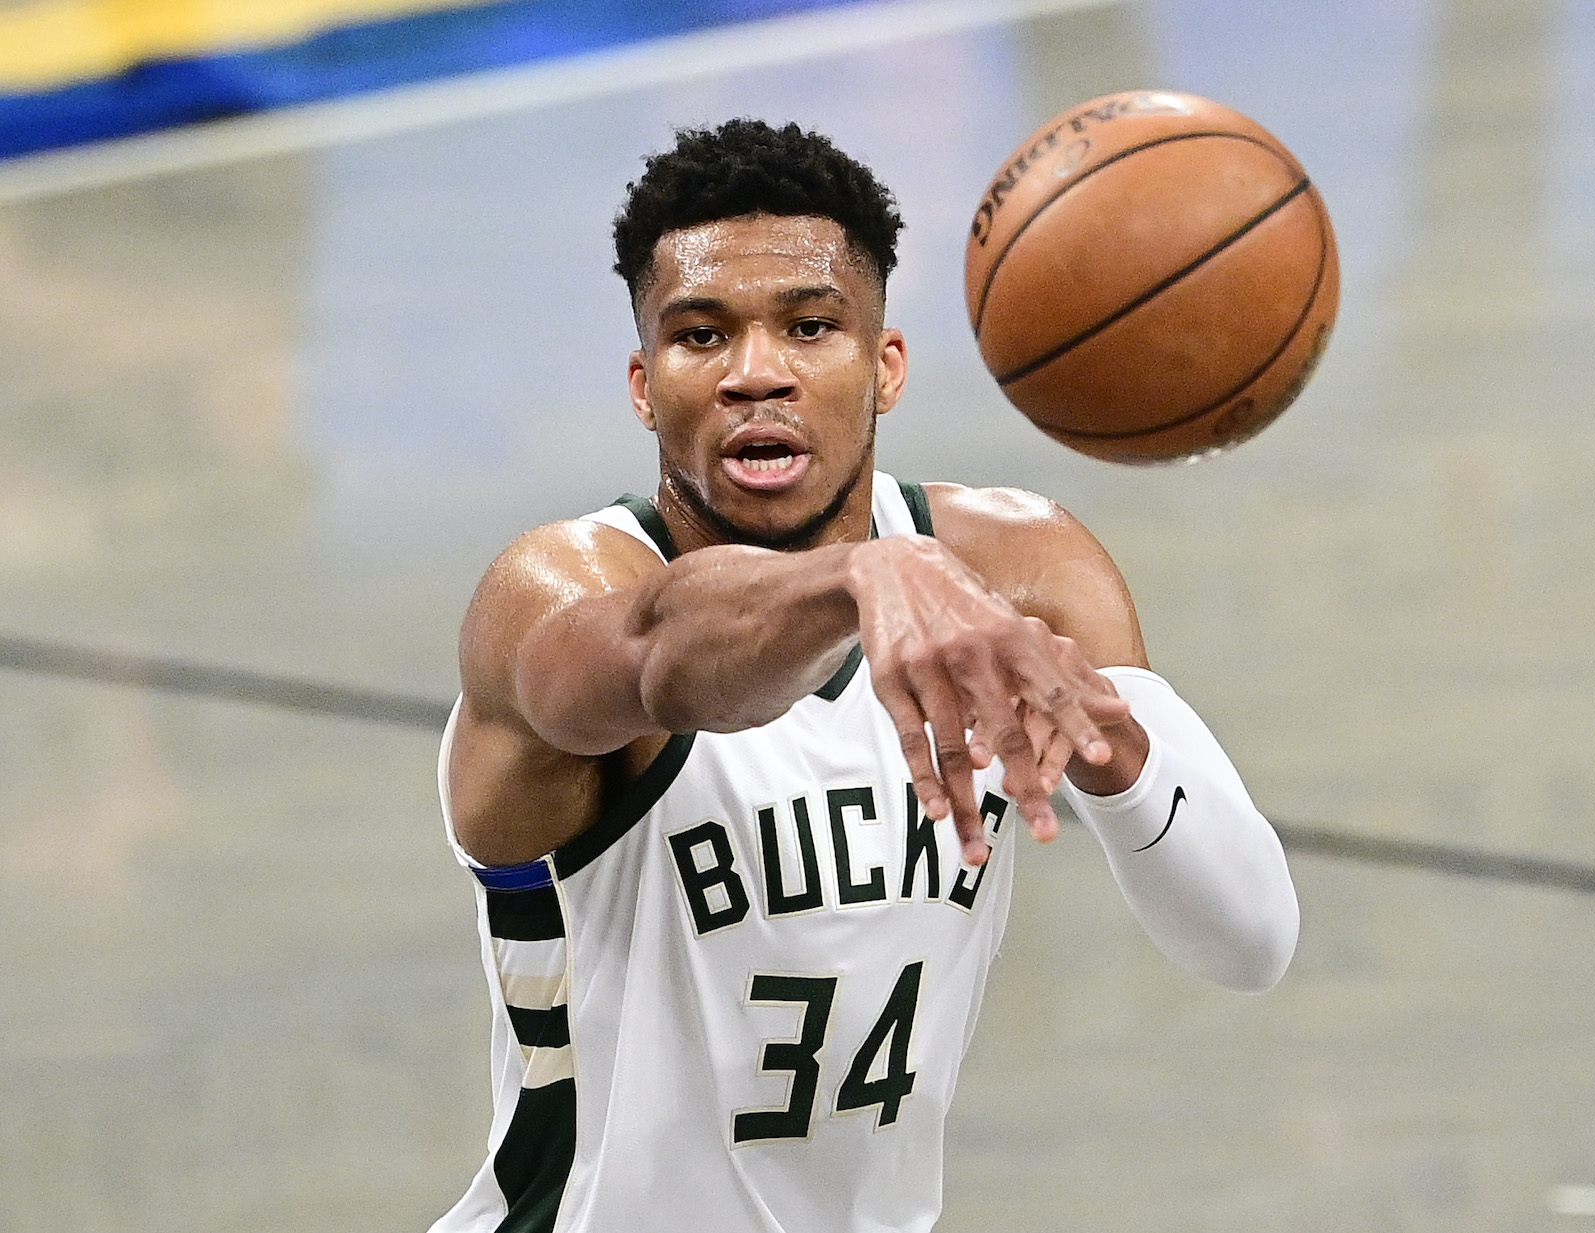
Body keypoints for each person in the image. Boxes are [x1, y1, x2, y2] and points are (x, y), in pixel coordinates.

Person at [429, 118, 1298, 1233]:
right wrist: (861, 580)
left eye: (809, 327)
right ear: (644, 386)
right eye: (701, 336)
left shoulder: (1024, 571)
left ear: (882, 364)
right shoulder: (554, 592)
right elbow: (661, 658)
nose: (756, 374)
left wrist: (1113, 741)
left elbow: (1250, 943)